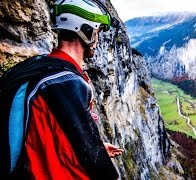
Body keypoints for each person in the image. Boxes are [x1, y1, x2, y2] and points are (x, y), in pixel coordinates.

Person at [0, 0, 124, 179]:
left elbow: (54, 136)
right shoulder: (67, 83)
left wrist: (96, 145)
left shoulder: (36, 65)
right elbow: (89, 164)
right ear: (86, 31)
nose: (98, 40)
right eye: (97, 32)